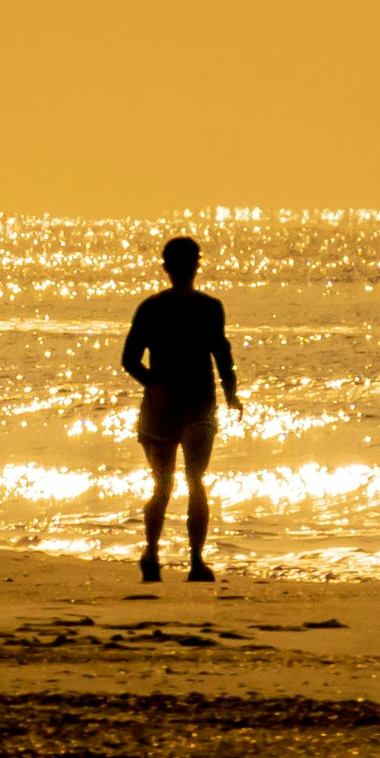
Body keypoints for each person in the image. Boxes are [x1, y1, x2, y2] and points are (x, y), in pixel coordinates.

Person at [119, 234, 237, 583]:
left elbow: (130, 360)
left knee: (164, 486)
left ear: (166, 267)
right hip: (190, 405)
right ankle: (194, 561)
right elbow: (223, 356)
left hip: (170, 407)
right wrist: (231, 392)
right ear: (195, 266)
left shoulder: (152, 307)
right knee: (194, 482)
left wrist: (152, 384)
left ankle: (154, 554)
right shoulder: (207, 307)